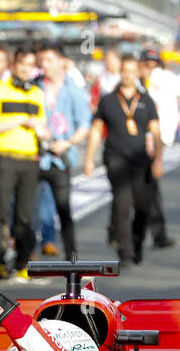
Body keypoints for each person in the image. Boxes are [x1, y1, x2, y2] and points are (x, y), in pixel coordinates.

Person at [86, 55, 161, 269]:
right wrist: (89, 159)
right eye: (124, 71)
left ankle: (137, 243)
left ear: (138, 73)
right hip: (115, 158)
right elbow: (96, 131)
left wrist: (158, 160)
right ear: (120, 73)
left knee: (143, 206)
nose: (128, 75)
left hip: (140, 160)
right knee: (122, 203)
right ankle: (125, 252)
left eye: (132, 71)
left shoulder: (147, 101)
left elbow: (156, 133)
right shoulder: (108, 100)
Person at [0, 46, 46, 281]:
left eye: (30, 65)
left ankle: (22, 262)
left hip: (30, 159)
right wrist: (20, 120)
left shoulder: (38, 94)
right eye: (22, 64)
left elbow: (42, 126)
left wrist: (46, 133)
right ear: (14, 65)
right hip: (4, 157)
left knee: (25, 215)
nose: (26, 69)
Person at [36, 43, 90, 261]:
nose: (45, 65)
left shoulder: (72, 89)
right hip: (37, 155)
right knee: (30, 208)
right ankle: (31, 253)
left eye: (49, 60)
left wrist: (68, 142)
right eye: (42, 61)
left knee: (64, 208)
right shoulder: (36, 87)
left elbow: (84, 123)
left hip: (61, 156)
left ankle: (72, 257)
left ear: (61, 61)